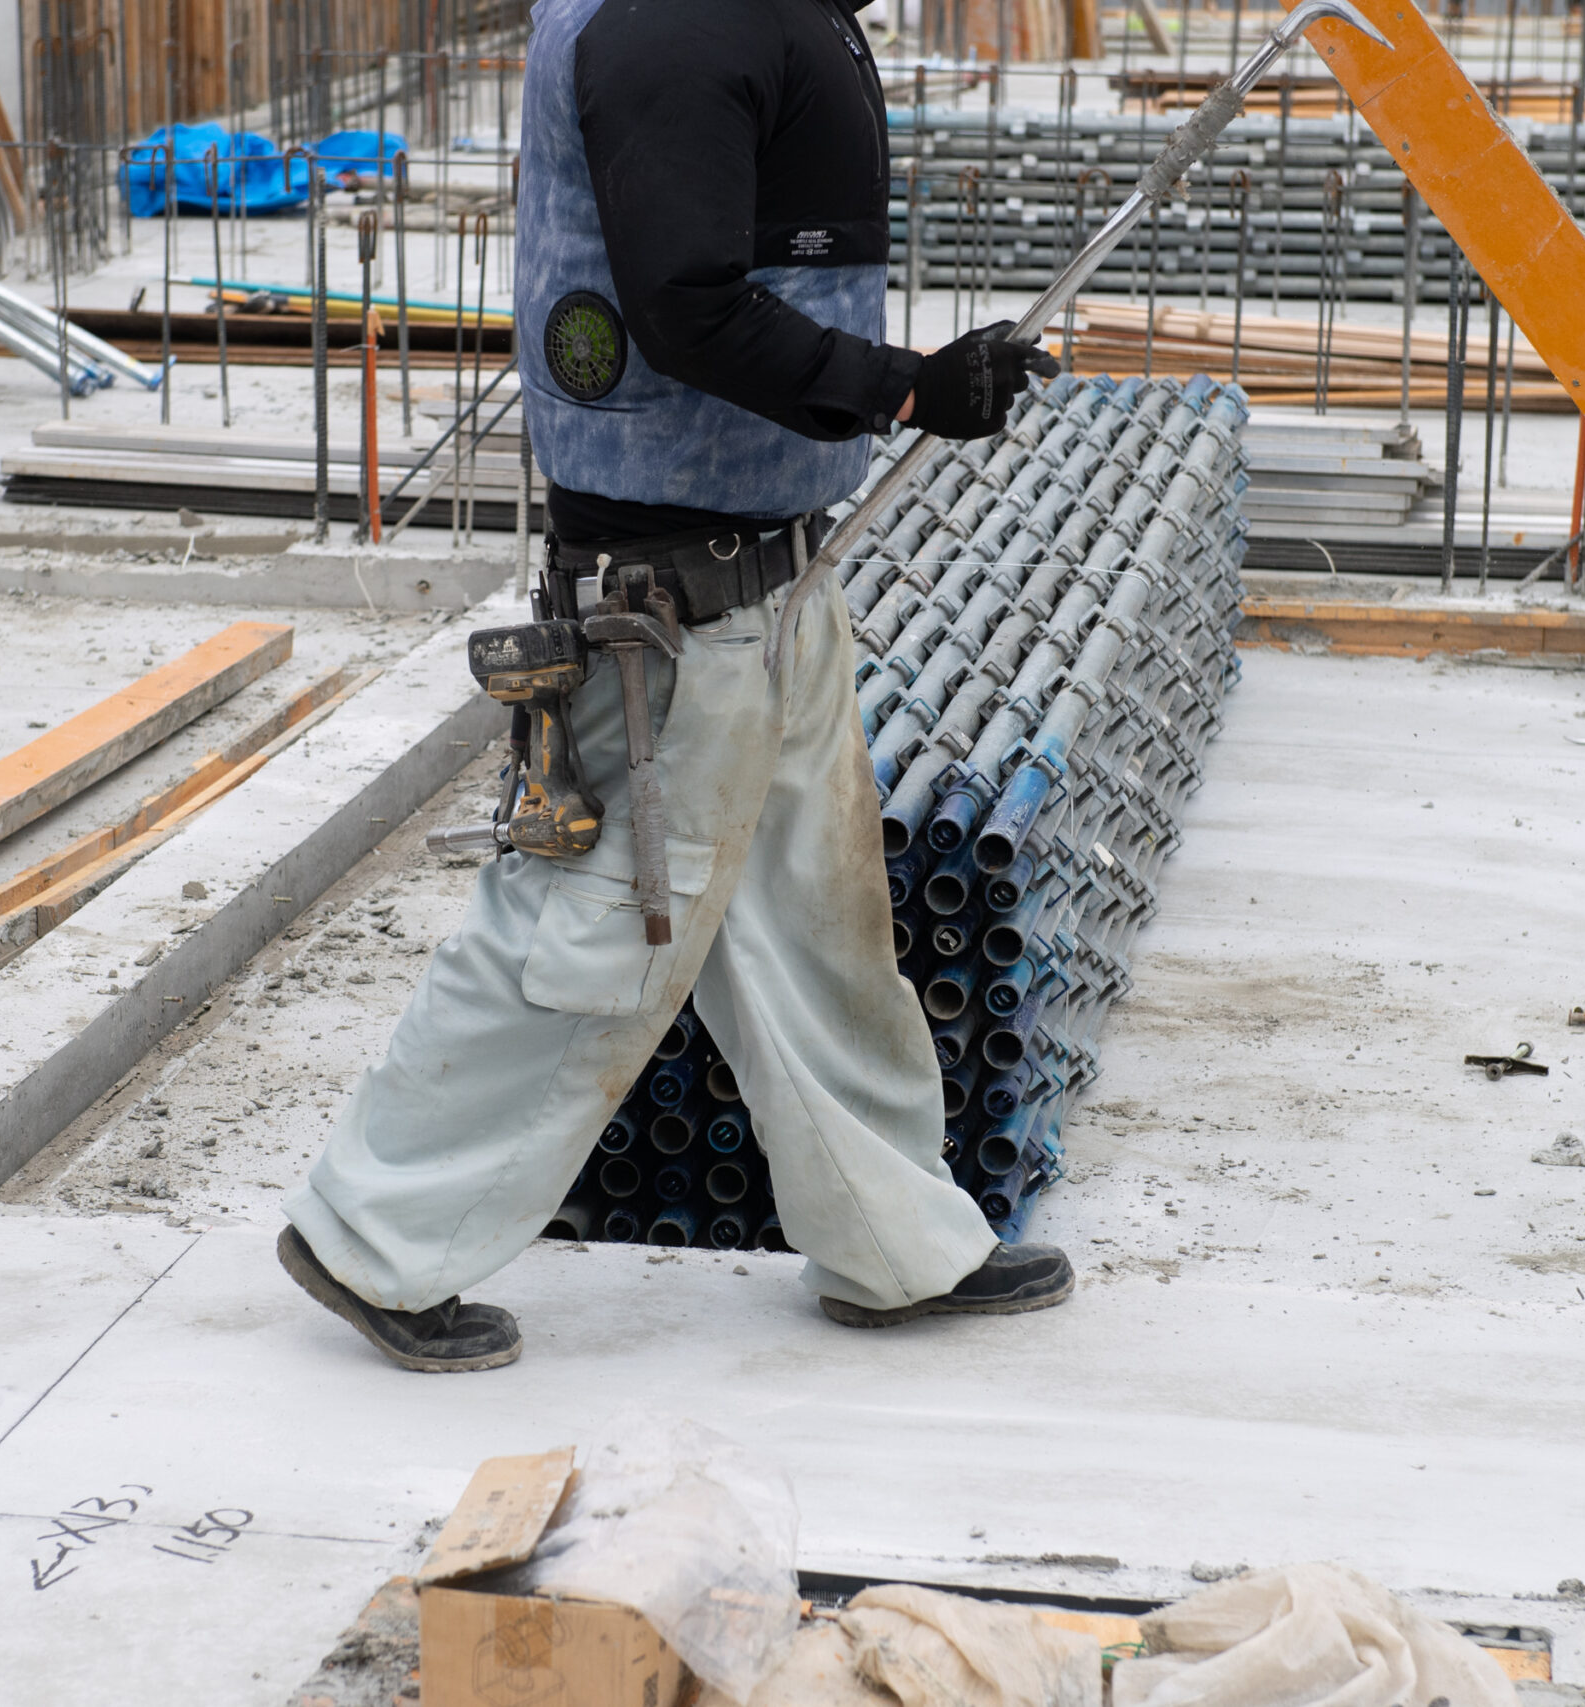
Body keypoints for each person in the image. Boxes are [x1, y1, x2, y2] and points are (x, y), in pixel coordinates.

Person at [276, 0, 1075, 1371]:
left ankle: (894, 1244)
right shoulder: (679, 20)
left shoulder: (765, 12)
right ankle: (374, 1237)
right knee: (590, 935)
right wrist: (902, 391)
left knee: (818, 932)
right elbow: (689, 302)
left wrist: (905, 387)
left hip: (765, 574)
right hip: (670, 602)